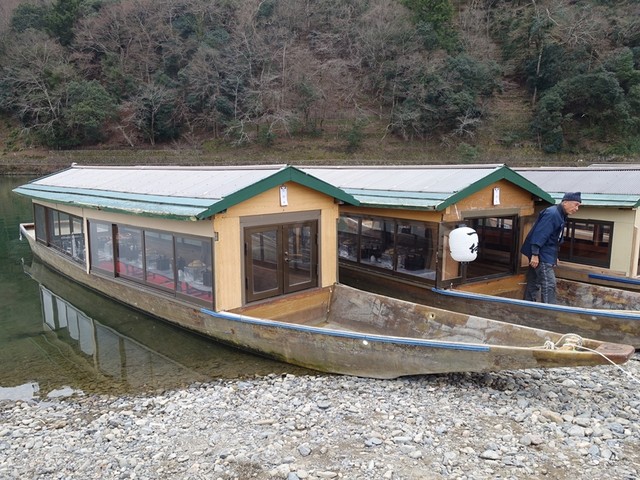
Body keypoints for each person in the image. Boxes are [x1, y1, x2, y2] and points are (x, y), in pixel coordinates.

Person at [520, 192, 581, 303]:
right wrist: (535, 254)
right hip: (541, 253)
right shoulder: (552, 214)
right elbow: (540, 234)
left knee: (534, 281)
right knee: (549, 283)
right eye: (575, 204)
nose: (576, 208)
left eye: (578, 206)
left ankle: (527, 305)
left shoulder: (561, 214)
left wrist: (554, 256)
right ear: (565, 202)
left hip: (546, 252)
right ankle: (549, 311)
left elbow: (554, 238)